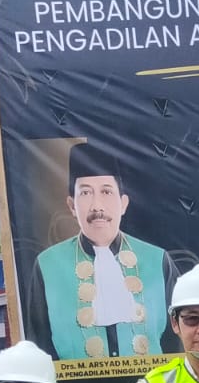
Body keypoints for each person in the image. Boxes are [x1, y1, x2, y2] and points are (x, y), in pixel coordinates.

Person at [23, 144, 179, 360]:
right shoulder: (47, 265)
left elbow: (179, 340)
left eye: (106, 191)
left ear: (123, 204)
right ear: (71, 205)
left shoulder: (158, 260)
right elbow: (39, 347)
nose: (97, 206)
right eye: (85, 192)